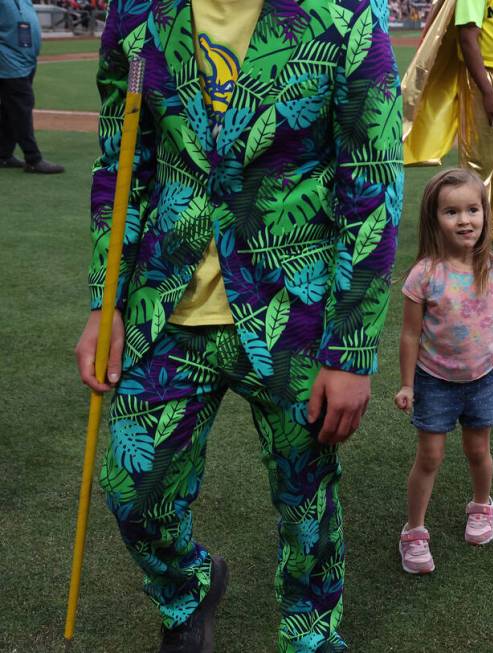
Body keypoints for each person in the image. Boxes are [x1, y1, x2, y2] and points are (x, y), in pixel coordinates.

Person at [73, 0, 402, 648]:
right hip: (164, 308)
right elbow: (121, 163)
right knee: (132, 490)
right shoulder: (136, 15)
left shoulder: (344, 15)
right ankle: (186, 591)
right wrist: (102, 303)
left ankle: (309, 635)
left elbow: (372, 186)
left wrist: (352, 350)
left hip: (294, 312)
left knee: (307, 505)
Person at [393, 168, 493, 574]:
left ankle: (482, 505)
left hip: (484, 378)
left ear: (485, 214)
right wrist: (407, 384)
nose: (464, 220)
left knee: (477, 449)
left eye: (472, 209)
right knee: (429, 456)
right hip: (434, 382)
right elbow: (410, 335)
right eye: (451, 212)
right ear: (434, 219)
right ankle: (413, 531)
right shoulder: (424, 274)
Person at [401, 0, 493, 255]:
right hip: (487, 78)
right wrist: (487, 92)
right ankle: (469, 232)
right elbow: (467, 38)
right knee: (478, 162)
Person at [0, 0, 64, 173]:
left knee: (9, 109)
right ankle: (33, 159)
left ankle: (4, 154)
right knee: (22, 107)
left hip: (25, 59)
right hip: (9, 62)